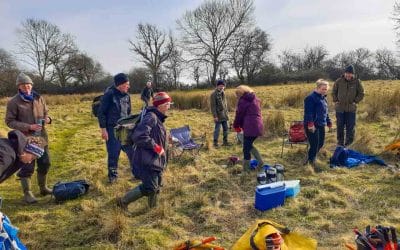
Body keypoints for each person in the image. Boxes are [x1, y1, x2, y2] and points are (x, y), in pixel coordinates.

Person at [117, 92, 172, 210]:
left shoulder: (158, 117)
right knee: (150, 187)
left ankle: (153, 209)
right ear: (160, 105)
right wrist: (157, 147)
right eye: (167, 104)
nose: (169, 106)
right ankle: (123, 202)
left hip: (154, 159)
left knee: (156, 185)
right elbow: (139, 136)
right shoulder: (151, 117)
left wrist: (168, 139)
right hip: (147, 159)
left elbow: (155, 134)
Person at [5, 73, 53, 203]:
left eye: (28, 85)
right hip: (25, 138)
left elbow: (46, 112)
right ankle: (27, 194)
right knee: (27, 165)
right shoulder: (14, 102)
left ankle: (43, 188)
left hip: (42, 137)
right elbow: (9, 122)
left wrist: (48, 119)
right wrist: (28, 126)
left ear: (31, 85)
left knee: (45, 162)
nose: (27, 88)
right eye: (23, 86)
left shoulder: (39, 98)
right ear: (19, 87)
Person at [97, 73, 132, 183]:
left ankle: (136, 171)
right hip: (112, 129)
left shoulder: (127, 96)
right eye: (127, 84)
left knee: (131, 151)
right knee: (113, 153)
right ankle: (113, 176)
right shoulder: (109, 95)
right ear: (120, 84)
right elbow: (101, 113)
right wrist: (103, 130)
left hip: (125, 128)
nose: (128, 86)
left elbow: (128, 112)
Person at [233, 85, 264, 171]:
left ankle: (246, 170)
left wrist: (236, 125)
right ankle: (260, 162)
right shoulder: (255, 99)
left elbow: (239, 115)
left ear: (241, 93)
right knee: (248, 145)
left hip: (250, 127)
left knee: (246, 148)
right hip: (258, 125)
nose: (237, 97)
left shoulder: (243, 101)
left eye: (237, 94)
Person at [332, 65, 364, 146]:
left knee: (350, 126)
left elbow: (361, 93)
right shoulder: (339, 81)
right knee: (340, 125)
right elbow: (333, 92)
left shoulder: (357, 82)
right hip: (340, 108)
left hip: (351, 109)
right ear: (344, 73)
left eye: (350, 73)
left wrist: (355, 101)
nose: (348, 75)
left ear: (353, 74)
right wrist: (335, 100)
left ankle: (349, 143)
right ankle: (340, 142)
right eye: (347, 73)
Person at [303, 79, 332, 166]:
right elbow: (309, 112)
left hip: (321, 124)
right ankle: (310, 162)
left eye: (326, 89)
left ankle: (311, 157)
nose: (325, 91)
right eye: (323, 89)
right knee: (314, 144)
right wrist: (310, 124)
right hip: (312, 125)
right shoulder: (310, 98)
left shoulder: (323, 98)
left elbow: (325, 112)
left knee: (320, 143)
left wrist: (328, 121)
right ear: (318, 88)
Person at [210, 79, 231, 147]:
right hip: (218, 115)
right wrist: (215, 116)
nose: (222, 87)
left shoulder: (223, 93)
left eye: (223, 86)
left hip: (224, 114)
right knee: (217, 129)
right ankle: (215, 143)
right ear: (217, 86)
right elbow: (213, 106)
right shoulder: (213, 94)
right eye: (220, 86)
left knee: (226, 129)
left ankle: (225, 142)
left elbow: (225, 105)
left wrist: (227, 113)